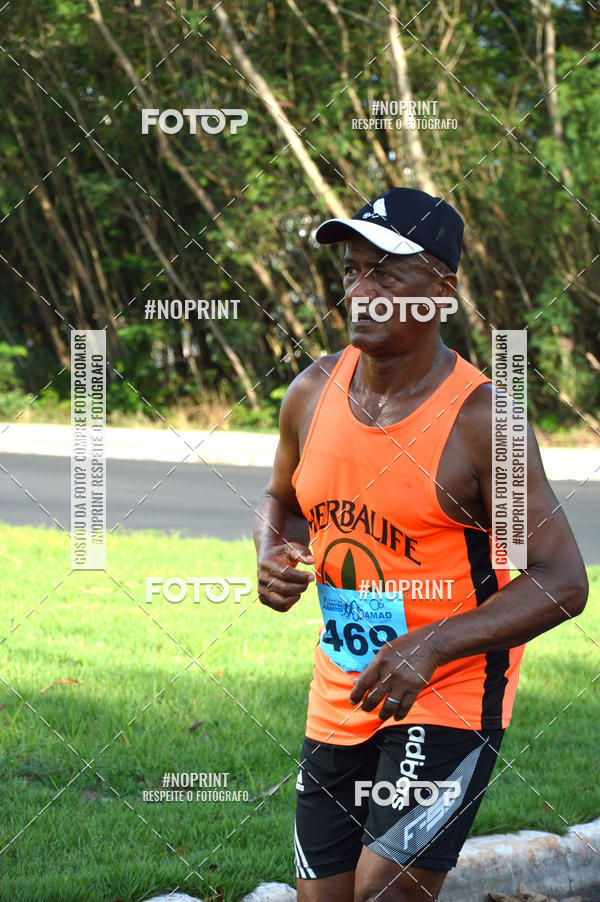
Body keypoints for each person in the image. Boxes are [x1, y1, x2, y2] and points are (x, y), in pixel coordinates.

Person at [253, 187, 588, 902]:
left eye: (386, 273)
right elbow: (282, 502)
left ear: (441, 291)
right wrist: (271, 553)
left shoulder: (482, 421)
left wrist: (430, 645)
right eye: (352, 271)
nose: (361, 292)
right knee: (326, 899)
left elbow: (561, 579)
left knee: (388, 894)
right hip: (344, 687)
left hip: (450, 688)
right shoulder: (310, 393)